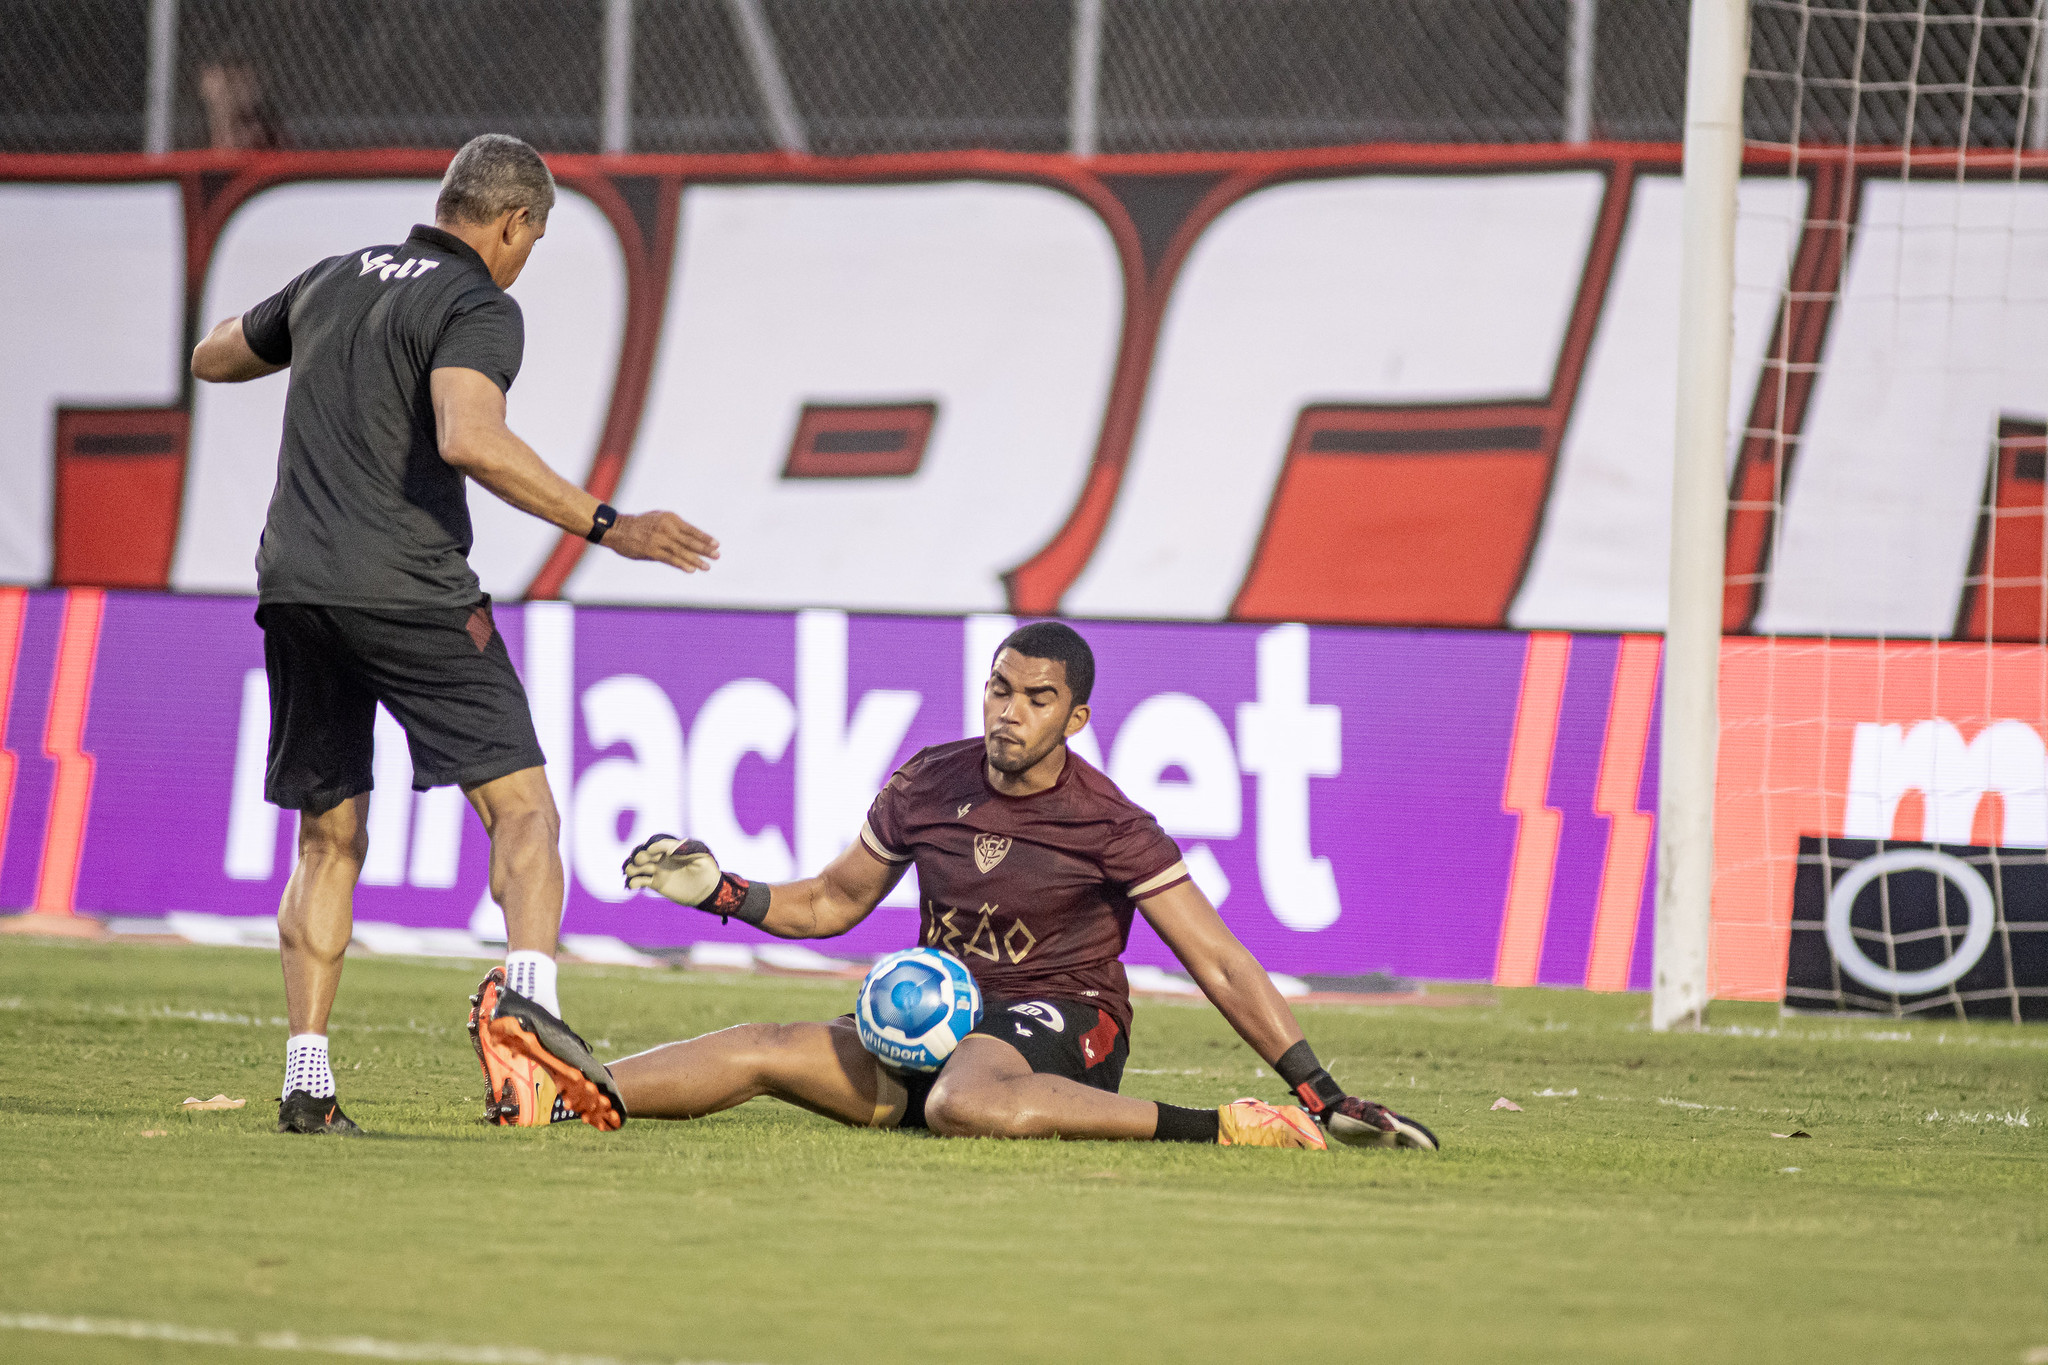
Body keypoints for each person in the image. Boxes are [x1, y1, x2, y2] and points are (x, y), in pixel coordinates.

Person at [189, 133, 719, 1135]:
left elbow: (216, 354)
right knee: (524, 814)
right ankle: (533, 1030)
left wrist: (302, 337)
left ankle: (306, 1080)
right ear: (511, 222)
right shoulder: (477, 303)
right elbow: (468, 437)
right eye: (533, 240)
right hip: (411, 591)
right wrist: (612, 525)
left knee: (329, 837)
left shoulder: (333, 278)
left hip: (296, 587)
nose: (525, 258)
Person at [484, 622, 1439, 1151]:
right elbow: (830, 902)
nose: (1010, 712)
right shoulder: (928, 781)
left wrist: (1318, 1089)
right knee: (763, 1043)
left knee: (962, 1104)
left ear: (1077, 717)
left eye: (1036, 698)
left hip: (1064, 1025)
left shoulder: (1110, 822)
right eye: (999, 689)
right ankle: (566, 1097)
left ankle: (1232, 1127)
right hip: (936, 1022)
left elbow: (1222, 962)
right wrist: (721, 890)